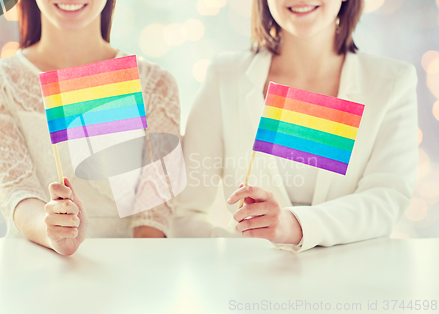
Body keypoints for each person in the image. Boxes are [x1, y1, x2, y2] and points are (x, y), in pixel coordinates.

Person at [174, 0, 418, 252]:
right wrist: (232, 255)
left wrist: (293, 226)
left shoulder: (392, 83)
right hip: (249, 284)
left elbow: (385, 199)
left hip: (349, 282)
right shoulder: (225, 75)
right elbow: (184, 213)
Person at [0, 0, 181, 255]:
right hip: (32, 270)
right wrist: (52, 231)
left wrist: (136, 279)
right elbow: (17, 192)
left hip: (126, 275)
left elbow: (153, 217)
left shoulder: (155, 83)